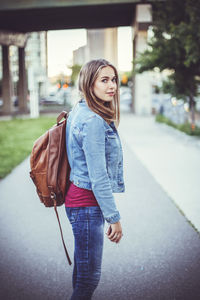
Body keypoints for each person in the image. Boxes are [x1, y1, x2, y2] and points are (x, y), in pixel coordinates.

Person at [65, 59, 125, 300]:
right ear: (89, 84)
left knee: (82, 274)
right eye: (104, 80)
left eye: (113, 79)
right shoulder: (93, 121)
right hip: (86, 205)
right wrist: (114, 218)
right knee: (88, 279)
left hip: (78, 201)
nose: (112, 86)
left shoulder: (80, 110)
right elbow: (98, 177)